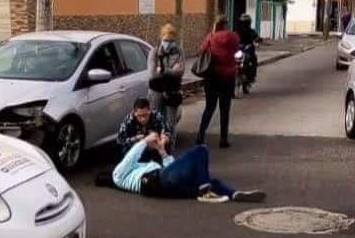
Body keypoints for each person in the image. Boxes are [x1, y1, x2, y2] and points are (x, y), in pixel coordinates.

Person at [111, 132, 266, 203]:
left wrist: (162, 151)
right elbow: (129, 158)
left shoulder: (148, 164)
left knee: (212, 181)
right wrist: (144, 141)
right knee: (200, 150)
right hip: (157, 181)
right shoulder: (118, 174)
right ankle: (205, 191)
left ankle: (235, 194)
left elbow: (172, 169)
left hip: (165, 183)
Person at [196, 15, 240, 148]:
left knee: (209, 108)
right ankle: (223, 139)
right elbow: (237, 48)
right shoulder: (233, 36)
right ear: (226, 24)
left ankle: (200, 136)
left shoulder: (211, 37)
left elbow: (201, 50)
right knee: (225, 109)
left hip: (212, 77)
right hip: (228, 77)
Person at [148, 23, 185, 137]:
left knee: (170, 124)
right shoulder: (154, 52)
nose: (168, 43)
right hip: (156, 91)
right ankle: (156, 150)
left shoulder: (179, 52)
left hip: (172, 91)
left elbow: (181, 71)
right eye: (166, 40)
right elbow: (153, 74)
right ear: (161, 38)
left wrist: (163, 70)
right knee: (155, 122)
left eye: (171, 40)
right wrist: (171, 70)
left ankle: (168, 150)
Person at [117, 97, 172, 162]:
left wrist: (163, 141)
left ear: (149, 111)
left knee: (166, 142)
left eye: (145, 115)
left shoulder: (156, 115)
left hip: (157, 144)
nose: (143, 119)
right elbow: (120, 140)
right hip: (137, 150)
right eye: (139, 116)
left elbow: (168, 131)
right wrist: (136, 139)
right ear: (135, 113)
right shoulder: (129, 120)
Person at [236, 14, 261, 93]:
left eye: (246, 22)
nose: (245, 24)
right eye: (244, 22)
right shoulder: (237, 31)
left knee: (253, 60)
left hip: (247, 50)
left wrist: (258, 40)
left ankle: (251, 77)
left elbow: (257, 38)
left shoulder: (251, 31)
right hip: (238, 50)